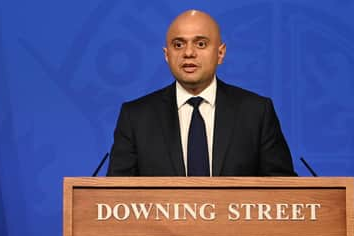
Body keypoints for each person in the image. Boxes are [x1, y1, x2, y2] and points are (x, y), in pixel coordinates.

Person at [106, 9, 296, 176]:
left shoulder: (256, 113)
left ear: (220, 53)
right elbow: (112, 199)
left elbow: (285, 192)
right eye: (178, 45)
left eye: (201, 44)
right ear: (166, 55)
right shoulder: (136, 117)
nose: (188, 53)